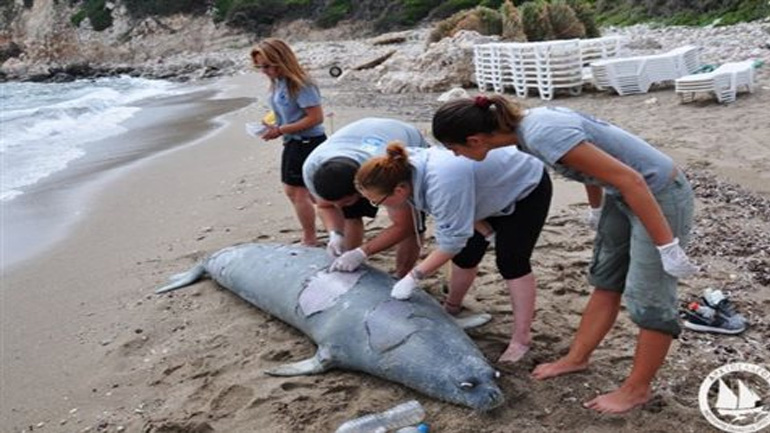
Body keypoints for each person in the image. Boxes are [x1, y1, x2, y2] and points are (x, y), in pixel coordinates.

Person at [431, 94, 698, 414]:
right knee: (605, 277)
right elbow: (592, 167)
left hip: (657, 195)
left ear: (474, 140)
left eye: (453, 148)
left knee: (649, 298)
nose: (454, 155)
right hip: (622, 194)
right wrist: (597, 208)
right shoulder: (526, 133)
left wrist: (665, 245)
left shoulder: (543, 134)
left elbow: (632, 179)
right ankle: (576, 358)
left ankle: (636, 390)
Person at [355, 142, 552, 364]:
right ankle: (451, 309)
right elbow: (463, 203)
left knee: (511, 262)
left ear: (399, 189)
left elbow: (451, 241)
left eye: (376, 201)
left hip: (522, 187)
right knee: (466, 255)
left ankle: (521, 339)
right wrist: (485, 230)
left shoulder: (441, 183)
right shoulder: (398, 171)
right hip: (479, 190)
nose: (376, 205)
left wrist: (414, 276)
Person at [302, 118, 428, 278]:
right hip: (353, 144)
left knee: (414, 224)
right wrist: (335, 233)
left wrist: (363, 252)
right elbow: (325, 206)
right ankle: (346, 260)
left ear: (361, 190)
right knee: (351, 214)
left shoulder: (383, 173)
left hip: (402, 139)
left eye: (345, 201)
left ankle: (401, 274)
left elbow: (405, 226)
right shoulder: (311, 169)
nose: (339, 206)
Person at [250, 38, 326, 246]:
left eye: (267, 66)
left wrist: (280, 129)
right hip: (293, 140)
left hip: (306, 141)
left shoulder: (300, 83)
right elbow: (288, 110)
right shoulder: (279, 82)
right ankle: (333, 228)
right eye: (259, 67)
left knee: (296, 191)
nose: (264, 71)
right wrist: (270, 122)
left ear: (280, 60)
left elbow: (315, 117)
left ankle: (310, 237)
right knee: (307, 191)